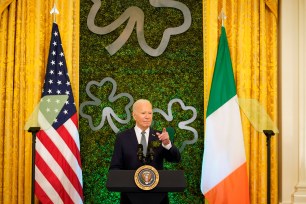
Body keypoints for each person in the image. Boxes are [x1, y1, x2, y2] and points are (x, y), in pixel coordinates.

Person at [109, 99, 181, 204]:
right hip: (130, 198)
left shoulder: (161, 136)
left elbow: (175, 159)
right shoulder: (122, 138)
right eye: (143, 113)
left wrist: (167, 143)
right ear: (134, 115)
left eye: (150, 113)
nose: (147, 116)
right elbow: (115, 167)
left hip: (158, 197)